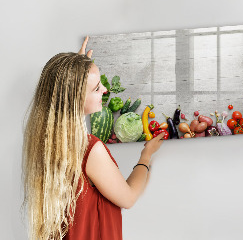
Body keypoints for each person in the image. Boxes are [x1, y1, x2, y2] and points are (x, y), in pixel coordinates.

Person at [22, 37, 165, 240]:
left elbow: (64, 92)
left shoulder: (44, 141)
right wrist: (146, 156)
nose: (105, 91)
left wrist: (76, 70)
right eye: (97, 88)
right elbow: (129, 197)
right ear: (75, 98)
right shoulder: (90, 150)